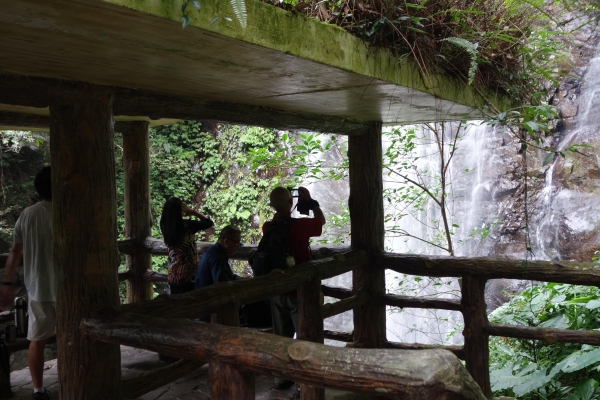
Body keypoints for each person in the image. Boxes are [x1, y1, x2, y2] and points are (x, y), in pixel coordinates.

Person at [0, 167, 54, 400]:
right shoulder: (71, 211)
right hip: (69, 289)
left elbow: (14, 253)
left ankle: (37, 390)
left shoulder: (27, 214)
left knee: (37, 341)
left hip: (38, 287)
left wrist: (8, 283)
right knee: (74, 337)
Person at [265, 186, 325, 391]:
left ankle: (281, 378)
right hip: (299, 291)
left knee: (281, 337)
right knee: (305, 336)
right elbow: (321, 222)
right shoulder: (299, 227)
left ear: (272, 205)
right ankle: (305, 384)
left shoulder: (267, 227)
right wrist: (310, 202)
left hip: (278, 290)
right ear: (291, 203)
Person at [160, 197, 214, 294]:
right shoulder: (189, 226)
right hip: (188, 275)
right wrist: (193, 212)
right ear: (180, 210)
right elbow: (209, 223)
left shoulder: (164, 226)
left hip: (173, 275)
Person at [195, 225, 243, 290]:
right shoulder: (218, 257)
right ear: (226, 241)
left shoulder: (212, 251)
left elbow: (229, 276)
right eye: (237, 243)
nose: (238, 246)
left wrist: (244, 280)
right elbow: (223, 286)